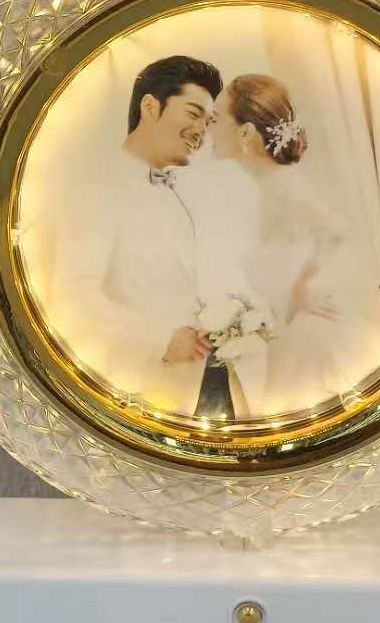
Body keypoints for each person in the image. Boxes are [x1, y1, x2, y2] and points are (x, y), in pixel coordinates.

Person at [49, 54, 259, 420]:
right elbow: (74, 297)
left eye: (208, 121)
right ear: (149, 106)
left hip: (206, 384)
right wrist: (161, 341)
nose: (201, 131)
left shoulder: (176, 193)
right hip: (146, 394)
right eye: (193, 114)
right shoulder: (97, 189)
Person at [207, 74, 367, 416]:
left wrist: (302, 285)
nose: (208, 126)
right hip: (279, 328)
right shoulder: (260, 185)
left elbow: (338, 233)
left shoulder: (284, 185)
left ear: (245, 133)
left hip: (304, 337)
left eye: (216, 117)